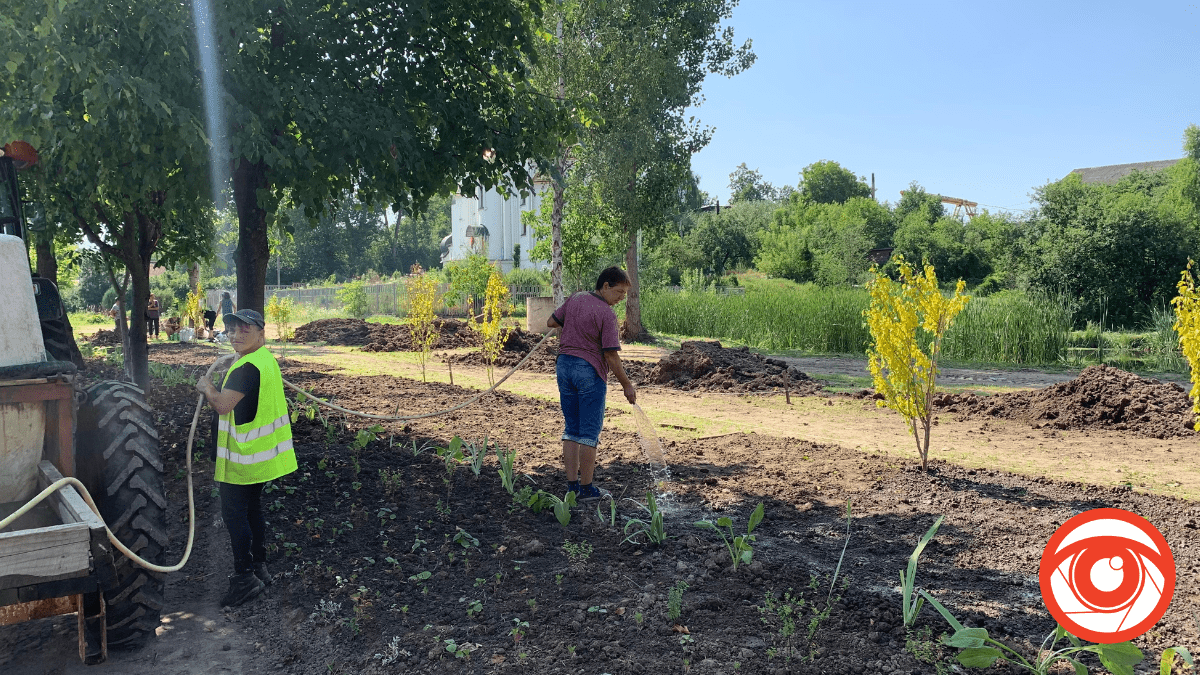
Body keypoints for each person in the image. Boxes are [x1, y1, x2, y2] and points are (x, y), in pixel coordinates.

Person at [196, 309, 297, 607]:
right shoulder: (265, 360)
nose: (236, 335)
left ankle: (244, 579)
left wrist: (207, 387)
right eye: (231, 330)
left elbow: (224, 405)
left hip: (241, 458)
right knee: (253, 511)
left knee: (235, 515)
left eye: (244, 330)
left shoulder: (245, 368)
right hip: (260, 456)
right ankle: (259, 568)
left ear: (261, 333)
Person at [546, 266, 636, 502]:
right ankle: (586, 489)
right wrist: (627, 385)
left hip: (564, 367)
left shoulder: (576, 298)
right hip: (588, 370)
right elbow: (610, 356)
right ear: (605, 286)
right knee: (588, 432)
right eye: (618, 293)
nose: (620, 299)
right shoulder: (606, 314)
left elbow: (550, 322)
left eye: (624, 296)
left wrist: (573, 323)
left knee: (571, 428)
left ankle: (572, 487)